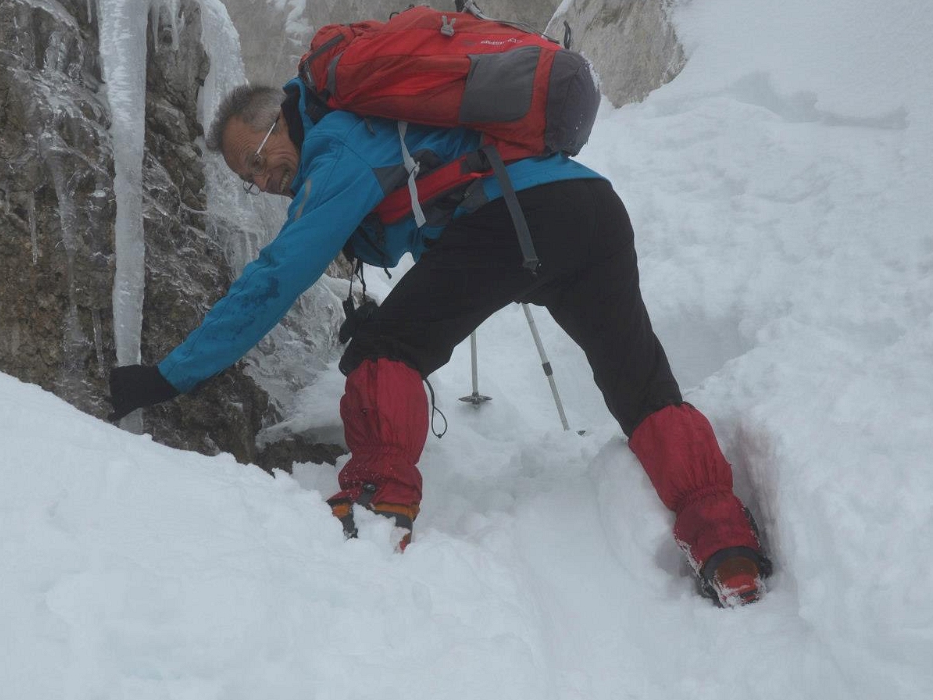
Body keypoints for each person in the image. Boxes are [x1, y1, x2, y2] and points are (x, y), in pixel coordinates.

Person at [109, 77, 771, 604]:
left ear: (281, 119)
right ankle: (725, 544)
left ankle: (378, 501)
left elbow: (277, 276)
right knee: (642, 387)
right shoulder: (369, 131)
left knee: (383, 353)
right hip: (588, 208)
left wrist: (172, 375)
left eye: (255, 162)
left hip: (513, 218)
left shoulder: (337, 145)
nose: (259, 182)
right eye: (244, 179)